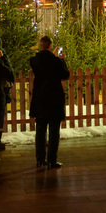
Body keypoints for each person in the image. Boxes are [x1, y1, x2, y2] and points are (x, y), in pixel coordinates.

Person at [29, 35, 70, 169]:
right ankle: (52, 160)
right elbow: (65, 75)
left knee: (40, 130)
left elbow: (42, 63)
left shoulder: (34, 61)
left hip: (40, 99)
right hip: (54, 99)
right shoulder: (56, 61)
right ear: (50, 46)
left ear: (40, 46)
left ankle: (40, 159)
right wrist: (62, 60)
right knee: (54, 131)